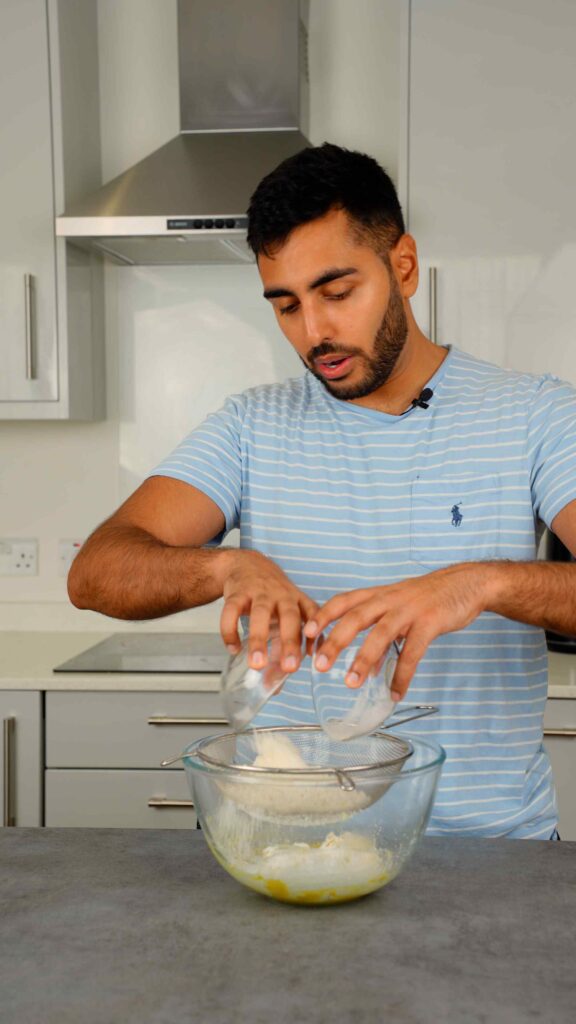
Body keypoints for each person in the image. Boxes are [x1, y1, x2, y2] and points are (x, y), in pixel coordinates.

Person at [68, 143, 576, 840]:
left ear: (402, 266)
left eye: (337, 293)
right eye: (286, 305)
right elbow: (96, 571)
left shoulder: (536, 416)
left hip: (490, 856)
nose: (314, 333)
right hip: (286, 847)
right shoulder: (251, 426)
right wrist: (226, 565)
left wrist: (481, 583)